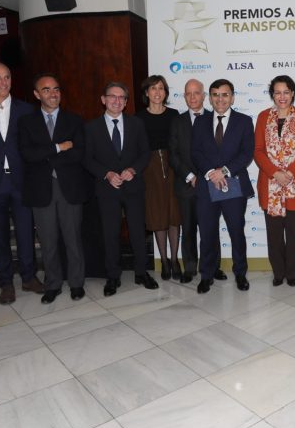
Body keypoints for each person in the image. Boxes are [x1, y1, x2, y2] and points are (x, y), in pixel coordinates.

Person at [0, 61, 43, 304]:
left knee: (25, 231)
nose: (3, 82)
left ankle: (29, 277)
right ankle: (5, 282)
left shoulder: (27, 109)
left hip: (21, 180)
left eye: (7, 77)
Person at [17, 74, 89, 303]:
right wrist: (58, 148)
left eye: (56, 89)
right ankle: (53, 284)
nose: (53, 94)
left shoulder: (74, 120)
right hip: (41, 189)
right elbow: (28, 154)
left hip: (69, 187)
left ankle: (76, 283)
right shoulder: (26, 122)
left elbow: (78, 153)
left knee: (73, 239)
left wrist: (46, 155)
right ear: (37, 94)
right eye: (46, 90)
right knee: (48, 241)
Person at [84, 81, 156, 296]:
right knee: (110, 234)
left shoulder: (136, 124)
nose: (116, 101)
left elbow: (145, 153)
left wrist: (133, 169)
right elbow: (87, 159)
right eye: (112, 96)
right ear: (103, 99)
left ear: (125, 102)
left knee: (137, 232)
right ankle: (113, 276)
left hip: (133, 187)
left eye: (121, 98)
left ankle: (141, 272)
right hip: (107, 189)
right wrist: (106, 174)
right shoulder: (91, 127)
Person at [191, 79, 255, 293]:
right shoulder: (200, 122)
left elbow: (246, 153)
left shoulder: (244, 121)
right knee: (207, 233)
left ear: (232, 98)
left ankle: (240, 274)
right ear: (210, 98)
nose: (220, 99)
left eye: (225, 94)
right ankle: (206, 275)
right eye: (215, 95)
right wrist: (211, 172)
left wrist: (224, 171)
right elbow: (195, 152)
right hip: (207, 185)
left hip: (233, 183)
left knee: (236, 231)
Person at [254, 75, 295, 286]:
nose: (282, 97)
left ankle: (292, 273)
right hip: (269, 186)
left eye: (286, 92)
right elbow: (258, 151)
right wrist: (275, 173)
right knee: (274, 235)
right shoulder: (263, 117)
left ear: (293, 94)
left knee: (293, 234)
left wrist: (289, 173)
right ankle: (278, 273)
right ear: (272, 94)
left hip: (293, 185)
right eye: (277, 92)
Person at [169, 79, 227, 284]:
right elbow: (173, 154)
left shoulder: (215, 118)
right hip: (186, 185)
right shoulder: (177, 121)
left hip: (212, 183)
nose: (192, 97)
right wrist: (190, 176)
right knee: (188, 228)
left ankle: (213, 266)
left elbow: (221, 153)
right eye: (188, 93)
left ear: (204, 96)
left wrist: (208, 175)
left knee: (211, 229)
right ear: (184, 96)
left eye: (196, 93)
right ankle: (190, 267)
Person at [138, 75, 182, 281]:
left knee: (174, 214)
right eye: (153, 88)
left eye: (161, 88)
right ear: (146, 93)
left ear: (166, 92)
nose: (157, 92)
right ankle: (163, 260)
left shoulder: (174, 115)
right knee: (157, 215)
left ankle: (174, 259)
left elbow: (180, 145)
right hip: (150, 169)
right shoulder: (138, 118)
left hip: (173, 168)